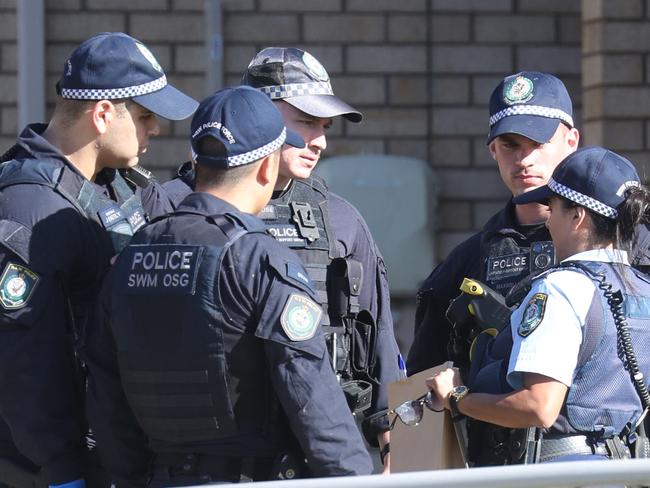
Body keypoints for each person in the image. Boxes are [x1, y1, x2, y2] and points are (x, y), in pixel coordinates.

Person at [85, 85, 374, 487]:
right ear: (266, 168)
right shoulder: (260, 260)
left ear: (197, 161)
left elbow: (107, 398)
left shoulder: (130, 257)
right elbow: (315, 405)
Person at [164, 47, 402, 471]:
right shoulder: (170, 212)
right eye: (306, 122)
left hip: (318, 457)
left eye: (325, 127)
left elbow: (378, 336)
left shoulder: (341, 220)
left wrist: (391, 442)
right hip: (205, 460)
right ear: (259, 114)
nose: (321, 141)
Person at [0, 32, 198, 487]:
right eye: (146, 116)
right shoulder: (29, 210)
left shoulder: (123, 188)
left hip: (116, 452)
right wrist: (64, 471)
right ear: (103, 114)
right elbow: (23, 363)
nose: (156, 129)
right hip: (49, 468)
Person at [426, 146, 650, 464]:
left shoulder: (561, 288)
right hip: (622, 472)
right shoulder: (641, 289)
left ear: (577, 216)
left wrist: (457, 398)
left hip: (558, 474)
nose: (547, 222)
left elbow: (538, 406)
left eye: (552, 207)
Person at [407, 71, 580, 377]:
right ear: (492, 150)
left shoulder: (620, 243)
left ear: (572, 141)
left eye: (538, 143)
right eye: (510, 145)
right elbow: (422, 384)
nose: (524, 160)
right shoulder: (464, 263)